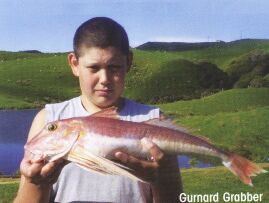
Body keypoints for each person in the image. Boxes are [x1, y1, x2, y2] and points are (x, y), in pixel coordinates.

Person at [14, 17, 183, 203]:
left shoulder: (155, 121)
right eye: (94, 68)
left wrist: (160, 180)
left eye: (114, 67)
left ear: (129, 63)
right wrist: (37, 183)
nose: (105, 79)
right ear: (74, 64)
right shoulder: (49, 119)